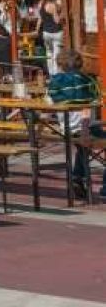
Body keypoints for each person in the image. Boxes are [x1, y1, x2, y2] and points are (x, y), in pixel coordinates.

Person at [48, 50, 105, 200]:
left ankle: (77, 178)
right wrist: (85, 131)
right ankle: (102, 188)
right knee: (86, 145)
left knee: (83, 150)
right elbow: (89, 105)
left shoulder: (55, 82)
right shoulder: (86, 80)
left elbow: (48, 103)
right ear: (80, 64)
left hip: (66, 128)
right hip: (86, 127)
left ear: (60, 65)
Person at [40, 0, 64, 74]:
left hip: (46, 32)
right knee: (56, 55)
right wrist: (61, 16)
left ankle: (50, 74)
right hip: (56, 32)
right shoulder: (53, 6)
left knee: (49, 53)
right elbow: (56, 21)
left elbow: (41, 18)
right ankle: (55, 74)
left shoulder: (41, 5)